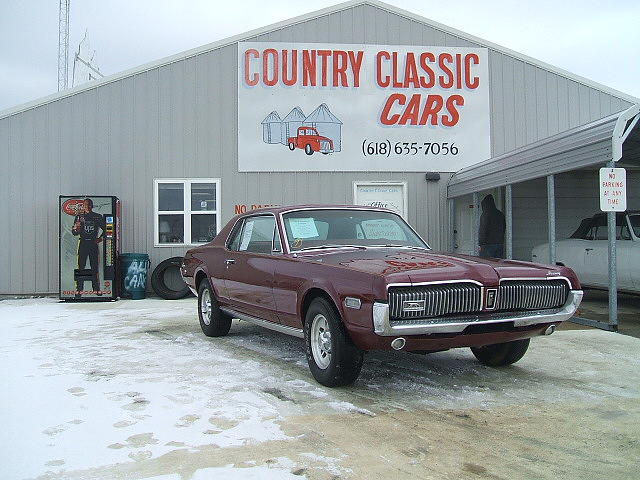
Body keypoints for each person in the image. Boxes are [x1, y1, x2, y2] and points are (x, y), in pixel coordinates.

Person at [72, 198, 105, 293]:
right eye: (86, 205)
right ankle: (79, 290)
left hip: (93, 244)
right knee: (81, 266)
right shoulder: (79, 217)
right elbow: (74, 232)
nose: (88, 207)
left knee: (94, 267)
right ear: (83, 206)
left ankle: (96, 289)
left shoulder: (97, 216)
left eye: (89, 205)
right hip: (82, 243)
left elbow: (107, 229)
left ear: (92, 206)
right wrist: (76, 229)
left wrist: (100, 238)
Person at [479, 194, 506, 258]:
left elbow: (483, 229)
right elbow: (504, 227)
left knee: (486, 264)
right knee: (497, 264)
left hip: (488, 245)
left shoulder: (485, 214)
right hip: (499, 243)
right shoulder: (500, 214)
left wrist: (480, 243)